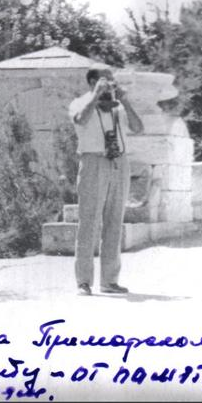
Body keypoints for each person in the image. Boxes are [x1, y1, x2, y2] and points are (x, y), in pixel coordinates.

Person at [68, 64, 144, 296]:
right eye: (105, 80)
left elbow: (138, 128)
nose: (111, 84)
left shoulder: (117, 106)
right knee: (89, 222)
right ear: (93, 82)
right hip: (94, 161)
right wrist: (95, 96)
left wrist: (125, 101)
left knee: (114, 222)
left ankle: (109, 281)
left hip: (119, 162)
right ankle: (83, 281)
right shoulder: (80, 102)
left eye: (112, 81)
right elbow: (80, 120)